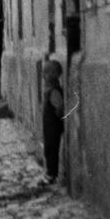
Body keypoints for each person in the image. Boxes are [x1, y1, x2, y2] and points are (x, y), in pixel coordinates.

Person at [41, 56, 65, 184]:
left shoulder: (53, 91)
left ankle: (52, 174)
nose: (43, 76)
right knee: (49, 148)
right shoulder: (49, 90)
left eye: (46, 73)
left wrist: (60, 116)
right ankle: (50, 172)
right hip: (49, 124)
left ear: (53, 75)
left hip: (53, 125)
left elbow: (59, 107)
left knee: (52, 148)